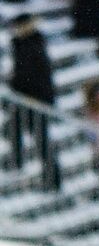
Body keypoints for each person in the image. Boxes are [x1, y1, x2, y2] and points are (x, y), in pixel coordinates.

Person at [6, 12, 60, 190]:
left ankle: (52, 178)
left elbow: (31, 75)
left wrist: (16, 85)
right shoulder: (23, 44)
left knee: (41, 141)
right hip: (26, 99)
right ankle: (17, 164)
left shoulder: (32, 45)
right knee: (15, 131)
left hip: (36, 101)